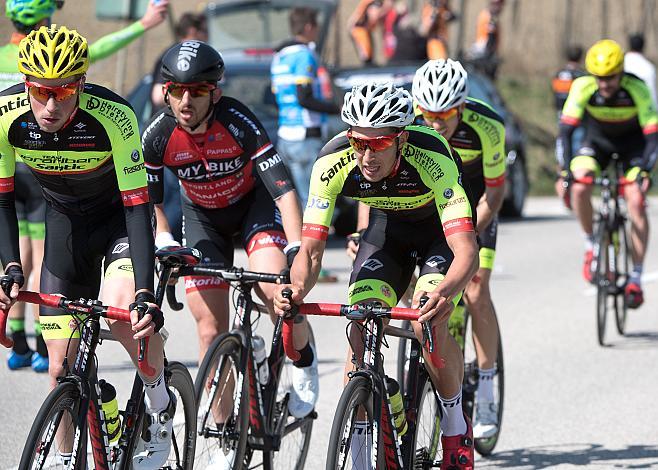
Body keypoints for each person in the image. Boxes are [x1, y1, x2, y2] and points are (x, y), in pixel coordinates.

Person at [274, 83, 478, 470]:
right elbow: (312, 250)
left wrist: (446, 294)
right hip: (387, 234)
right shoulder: (332, 160)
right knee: (359, 322)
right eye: (359, 143)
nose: (367, 155)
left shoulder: (432, 154)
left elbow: (466, 251)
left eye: (380, 144)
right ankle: (365, 452)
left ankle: (454, 425)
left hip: (440, 235)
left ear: (401, 139)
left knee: (427, 323)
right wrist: (295, 287)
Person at [0, 25, 172, 468]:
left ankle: (160, 406)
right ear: (25, 85)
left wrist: (144, 292)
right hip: (64, 228)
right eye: (41, 92)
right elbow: (1, 199)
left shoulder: (113, 115)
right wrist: (11, 266)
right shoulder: (6, 115)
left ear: (81, 85)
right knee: (59, 368)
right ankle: (64, 454)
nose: (51, 105)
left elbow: (138, 208)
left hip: (117, 222)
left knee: (121, 316)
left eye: (64, 92)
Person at [142, 41, 319, 453]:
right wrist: (165, 239)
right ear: (166, 91)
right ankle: (223, 435)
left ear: (214, 93)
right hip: (203, 220)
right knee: (209, 330)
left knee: (277, 290)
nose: (186, 100)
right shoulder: (159, 134)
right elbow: (147, 201)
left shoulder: (238, 120)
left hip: (252, 211)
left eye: (198, 90)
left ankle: (303, 358)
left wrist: (295, 249)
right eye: (177, 90)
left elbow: (283, 192)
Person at [412, 58, 505, 439]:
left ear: (462, 106)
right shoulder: (409, 124)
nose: (435, 123)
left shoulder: (487, 126)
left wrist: (469, 234)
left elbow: (496, 192)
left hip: (479, 207)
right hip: (433, 208)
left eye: (446, 114)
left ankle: (486, 386)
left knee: (477, 287)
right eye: (427, 113)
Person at [557, 39, 657, 308]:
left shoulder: (637, 88)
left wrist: (645, 170)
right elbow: (565, 133)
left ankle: (635, 275)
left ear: (621, 72)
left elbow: (652, 136)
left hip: (633, 147)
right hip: (597, 144)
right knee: (579, 187)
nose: (604, 84)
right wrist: (565, 171)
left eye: (610, 78)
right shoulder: (583, 87)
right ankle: (592, 245)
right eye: (599, 77)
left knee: (635, 200)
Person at [271, 6, 340, 208]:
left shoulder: (279, 56)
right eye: (316, 26)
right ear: (309, 27)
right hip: (305, 136)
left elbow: (277, 95)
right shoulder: (304, 55)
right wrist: (337, 108)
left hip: (285, 135)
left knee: (298, 198)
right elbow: (304, 97)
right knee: (317, 201)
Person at [149, 11, 208, 244]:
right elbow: (156, 95)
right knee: (172, 195)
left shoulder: (170, 55)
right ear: (192, 33)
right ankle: (169, 245)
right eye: (203, 32)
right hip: (171, 136)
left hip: (183, 135)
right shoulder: (173, 57)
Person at [552, 45, 585, 197]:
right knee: (576, 153)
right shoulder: (580, 76)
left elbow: (554, 95)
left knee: (562, 153)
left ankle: (564, 190)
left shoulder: (558, 74)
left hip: (561, 117)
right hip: (576, 119)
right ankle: (572, 187)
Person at [347, 0, 394, 65]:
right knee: (367, 56)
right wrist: (385, 9)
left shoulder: (379, 3)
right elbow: (373, 16)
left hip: (365, 30)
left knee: (370, 56)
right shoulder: (376, 2)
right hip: (359, 29)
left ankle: (369, 66)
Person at [624, 32, 657, 108]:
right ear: (643, 46)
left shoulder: (621, 63)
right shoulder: (649, 67)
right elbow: (652, 93)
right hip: (642, 110)